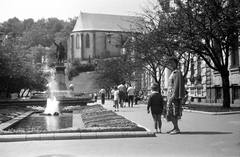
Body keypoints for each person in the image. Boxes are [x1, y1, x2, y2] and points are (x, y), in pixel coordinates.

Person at [164, 57, 185, 135]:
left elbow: (177, 85)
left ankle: (176, 128)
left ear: (176, 63)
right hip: (170, 94)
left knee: (172, 112)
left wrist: (174, 95)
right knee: (170, 111)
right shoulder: (173, 72)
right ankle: (175, 127)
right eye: (170, 63)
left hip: (173, 95)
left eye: (173, 63)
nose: (171, 64)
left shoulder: (177, 72)